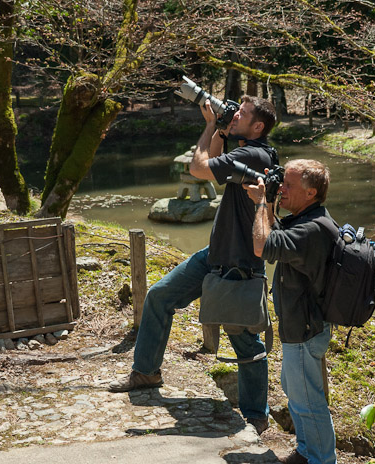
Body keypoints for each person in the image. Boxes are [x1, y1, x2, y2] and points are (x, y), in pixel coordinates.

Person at [109, 94, 278, 435]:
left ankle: (257, 415)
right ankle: (146, 372)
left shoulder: (253, 154)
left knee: (244, 340)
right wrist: (217, 129)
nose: (235, 114)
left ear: (257, 126)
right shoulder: (249, 151)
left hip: (240, 263)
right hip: (215, 254)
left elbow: (198, 169)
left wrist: (212, 125)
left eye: (242, 114)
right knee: (160, 296)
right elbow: (214, 164)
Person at [242, 159, 339, 464]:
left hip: (306, 328)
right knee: (297, 393)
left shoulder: (312, 229)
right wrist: (269, 202)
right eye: (281, 182)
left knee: (308, 400)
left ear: (310, 192)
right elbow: (276, 237)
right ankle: (306, 451)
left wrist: (259, 204)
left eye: (289, 185)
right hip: (299, 325)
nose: (282, 187)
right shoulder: (306, 219)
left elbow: (262, 246)